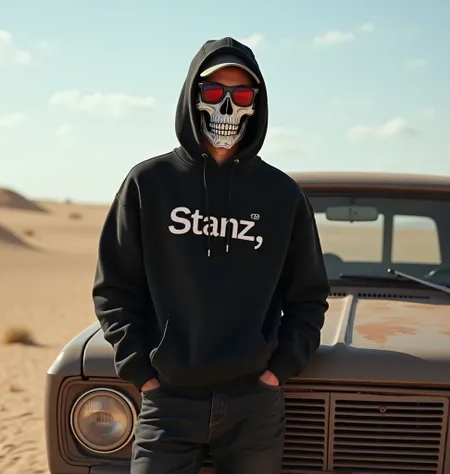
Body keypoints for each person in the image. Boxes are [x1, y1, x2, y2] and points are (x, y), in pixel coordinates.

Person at [93, 36, 330, 474]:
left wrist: (278, 370)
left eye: (240, 95)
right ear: (192, 97)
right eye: (213, 93)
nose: (226, 108)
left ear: (255, 105)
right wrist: (141, 371)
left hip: (252, 406)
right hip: (168, 401)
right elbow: (114, 287)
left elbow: (309, 295)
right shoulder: (148, 183)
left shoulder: (282, 196)